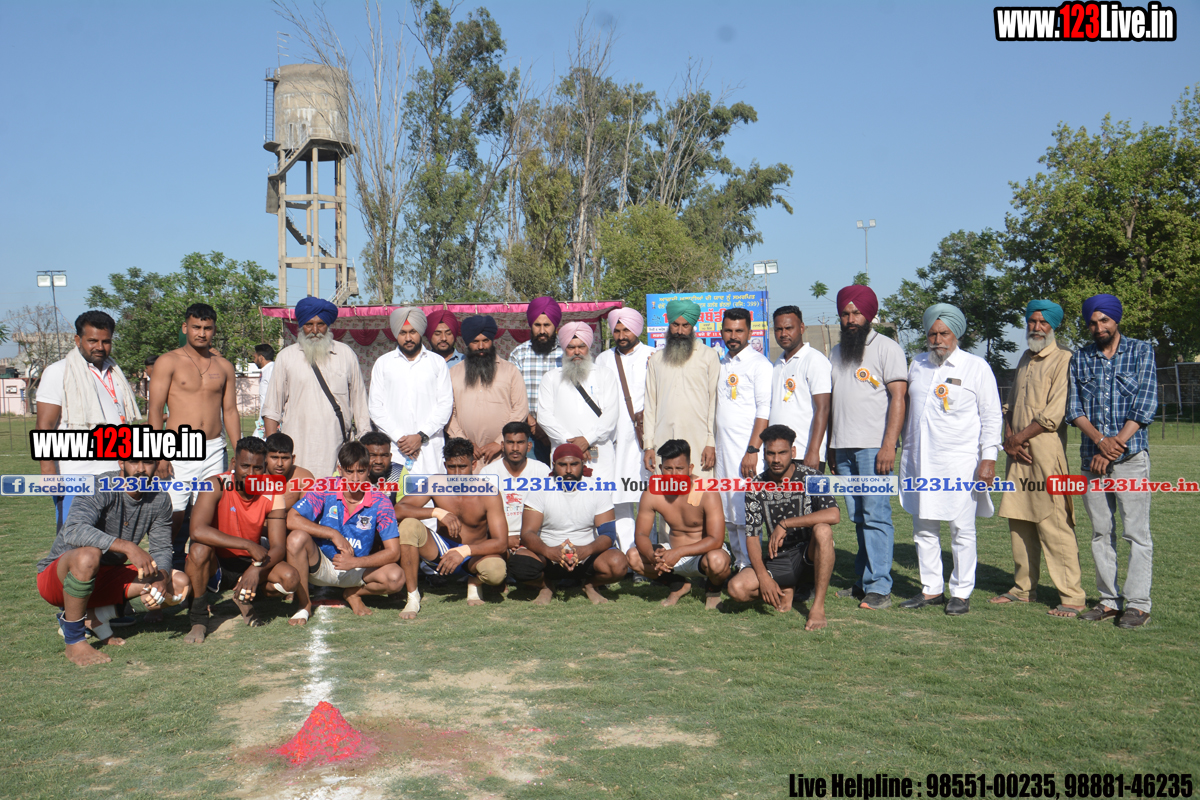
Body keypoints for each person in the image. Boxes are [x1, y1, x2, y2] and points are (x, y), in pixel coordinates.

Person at [898, 304, 1002, 617]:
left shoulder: (976, 366)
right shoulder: (917, 364)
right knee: (923, 526)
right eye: (932, 334)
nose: (938, 340)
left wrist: (989, 458)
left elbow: (991, 416)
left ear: (956, 334)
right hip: (919, 460)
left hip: (960, 462)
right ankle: (931, 589)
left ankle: (961, 592)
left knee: (961, 528)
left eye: (944, 333)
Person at [36, 457, 189, 667]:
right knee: (88, 556)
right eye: (134, 461)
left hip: (105, 578)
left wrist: (162, 577)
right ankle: (74, 639)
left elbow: (162, 547)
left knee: (178, 582)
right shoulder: (98, 485)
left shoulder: (160, 497)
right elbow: (73, 529)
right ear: (121, 463)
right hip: (60, 579)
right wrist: (128, 547)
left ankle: (96, 616)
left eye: (148, 462)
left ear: (156, 464)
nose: (141, 469)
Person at [1066, 293, 1158, 629]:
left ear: (1116, 319)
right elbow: (1073, 409)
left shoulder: (1141, 351)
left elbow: (1145, 404)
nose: (1099, 327)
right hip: (1092, 459)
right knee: (1100, 532)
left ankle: (1137, 605)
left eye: (1104, 320)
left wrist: (1114, 445)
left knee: (1136, 533)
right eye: (1092, 322)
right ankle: (1107, 601)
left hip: (1130, 458)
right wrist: (1099, 443)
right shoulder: (1080, 358)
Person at [992, 300, 1086, 617]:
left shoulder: (1064, 359)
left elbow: (1054, 414)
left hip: (1045, 454)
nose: (1036, 327)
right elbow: (1009, 405)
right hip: (1017, 455)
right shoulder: (1024, 357)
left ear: (1053, 326)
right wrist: (1009, 437)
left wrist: (1018, 438)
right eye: (1032, 321)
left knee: (1054, 523)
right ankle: (1023, 589)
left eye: (1043, 322)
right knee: (1019, 521)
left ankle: (1072, 597)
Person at [825, 286, 908, 611]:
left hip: (874, 449)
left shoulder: (887, 348)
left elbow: (899, 398)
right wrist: (831, 447)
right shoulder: (836, 352)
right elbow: (832, 402)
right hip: (842, 448)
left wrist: (889, 445)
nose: (850, 319)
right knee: (858, 517)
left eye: (856, 313)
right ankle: (862, 581)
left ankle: (880, 588)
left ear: (869, 314)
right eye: (845, 314)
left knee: (876, 515)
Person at [183, 437, 301, 643]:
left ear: (265, 468)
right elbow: (197, 530)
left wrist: (255, 569)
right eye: (245, 466)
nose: (251, 473)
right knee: (199, 550)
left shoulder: (273, 491)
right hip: (216, 563)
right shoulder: (214, 484)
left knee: (290, 578)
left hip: (250, 561)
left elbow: (278, 547)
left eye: (258, 468)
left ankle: (244, 596)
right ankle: (198, 618)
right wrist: (246, 544)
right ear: (233, 464)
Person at [35, 310, 142, 530]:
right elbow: (44, 426)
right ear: (78, 340)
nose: (100, 347)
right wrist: (48, 472)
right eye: (92, 340)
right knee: (75, 542)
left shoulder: (115, 373)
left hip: (114, 476)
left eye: (106, 341)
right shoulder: (58, 372)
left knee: (111, 543)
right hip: (76, 476)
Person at [725, 425, 839, 631]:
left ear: (793, 452)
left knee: (823, 530)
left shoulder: (812, 477)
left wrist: (786, 523)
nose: (776, 459)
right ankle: (785, 588)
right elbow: (752, 536)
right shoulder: (756, 485)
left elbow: (834, 514)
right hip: (779, 558)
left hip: (810, 555)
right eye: (771, 453)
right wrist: (763, 578)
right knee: (736, 588)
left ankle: (818, 607)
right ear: (764, 454)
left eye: (782, 453)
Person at [285, 441, 405, 625]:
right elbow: (292, 519)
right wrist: (332, 533)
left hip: (357, 569)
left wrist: (355, 562)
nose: (355, 478)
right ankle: (304, 606)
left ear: (369, 469)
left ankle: (353, 593)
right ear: (339, 470)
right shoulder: (325, 487)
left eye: (361, 471)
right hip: (321, 565)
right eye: (349, 471)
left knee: (396, 577)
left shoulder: (381, 501)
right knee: (296, 538)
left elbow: (393, 552)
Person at [394, 438, 510, 618]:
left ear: (473, 464)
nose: (457, 473)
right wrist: (437, 512)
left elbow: (501, 543)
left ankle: (475, 580)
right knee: (408, 524)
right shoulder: (436, 483)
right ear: (444, 465)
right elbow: (398, 510)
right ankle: (413, 596)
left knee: (496, 572)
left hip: (473, 554)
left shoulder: (489, 492)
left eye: (462, 467)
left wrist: (463, 551)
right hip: (441, 551)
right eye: (451, 467)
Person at [263, 296, 371, 478]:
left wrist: (364, 442)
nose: (314, 331)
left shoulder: (346, 355)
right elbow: (272, 409)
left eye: (320, 324)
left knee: (334, 493)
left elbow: (360, 404)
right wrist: (272, 452)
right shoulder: (286, 357)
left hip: (337, 447)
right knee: (298, 493)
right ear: (301, 326)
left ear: (328, 325)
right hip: (297, 447)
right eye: (308, 325)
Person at [509, 444, 628, 605]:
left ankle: (590, 585)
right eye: (563, 465)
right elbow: (527, 533)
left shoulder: (597, 488)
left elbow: (608, 534)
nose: (569, 470)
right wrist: (549, 551)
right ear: (554, 465)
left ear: (582, 464)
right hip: (549, 556)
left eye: (574, 464)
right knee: (519, 565)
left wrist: (586, 550)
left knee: (618, 564)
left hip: (586, 557)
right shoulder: (539, 488)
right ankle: (545, 586)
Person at [629, 439, 730, 609]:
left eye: (679, 468)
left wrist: (679, 552)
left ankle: (713, 591)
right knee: (633, 556)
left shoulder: (707, 490)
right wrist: (652, 556)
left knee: (717, 561)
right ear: (660, 469)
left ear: (690, 469)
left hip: (703, 554)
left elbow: (716, 540)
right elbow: (641, 534)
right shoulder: (652, 492)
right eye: (668, 468)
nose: (674, 474)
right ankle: (678, 585)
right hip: (672, 554)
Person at [714, 308, 773, 570]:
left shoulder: (760, 364)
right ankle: (739, 563)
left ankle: (751, 566)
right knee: (728, 511)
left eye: (739, 331)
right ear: (721, 332)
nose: (733, 336)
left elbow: (764, 410)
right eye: (728, 330)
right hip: (722, 452)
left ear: (749, 332)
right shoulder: (720, 364)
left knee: (747, 511)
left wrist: (753, 450)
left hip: (746, 452)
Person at [594, 308, 653, 553]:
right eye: (617, 331)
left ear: (637, 329)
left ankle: (649, 554)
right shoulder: (603, 359)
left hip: (645, 440)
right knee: (618, 498)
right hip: (613, 439)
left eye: (626, 330)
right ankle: (629, 553)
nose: (621, 335)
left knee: (648, 496)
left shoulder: (653, 355)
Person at [642, 298, 721, 481]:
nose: (679, 331)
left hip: (699, 441)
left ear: (692, 326)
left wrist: (710, 442)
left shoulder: (708, 356)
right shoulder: (656, 360)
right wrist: (648, 446)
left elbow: (714, 403)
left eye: (685, 325)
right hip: (663, 441)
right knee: (667, 494)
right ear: (669, 324)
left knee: (699, 493)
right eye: (675, 325)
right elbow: (650, 405)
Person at [369, 306, 453, 477]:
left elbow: (445, 405)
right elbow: (375, 408)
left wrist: (421, 436)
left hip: (429, 448)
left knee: (432, 492)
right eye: (403, 333)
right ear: (396, 334)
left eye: (413, 332)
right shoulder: (383, 363)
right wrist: (401, 439)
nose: (408, 338)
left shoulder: (437, 362)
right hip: (396, 449)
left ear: (420, 332)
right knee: (396, 491)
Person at [536, 322, 619, 489]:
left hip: (599, 455)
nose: (576, 352)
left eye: (581, 346)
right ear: (564, 349)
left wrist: (587, 439)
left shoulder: (605, 374)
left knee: (601, 499)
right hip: (564, 455)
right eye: (571, 347)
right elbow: (544, 416)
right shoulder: (551, 378)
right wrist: (572, 444)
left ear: (588, 347)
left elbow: (611, 414)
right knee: (566, 500)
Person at [446, 315, 530, 466]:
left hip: (502, 454)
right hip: (467, 457)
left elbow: (520, 409)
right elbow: (449, 413)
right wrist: (464, 442)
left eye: (485, 341)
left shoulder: (510, 371)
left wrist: (500, 442)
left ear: (492, 341)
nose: (481, 346)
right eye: (475, 342)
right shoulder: (453, 373)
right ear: (467, 343)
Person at [768, 306, 830, 471]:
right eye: (778, 329)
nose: (783, 334)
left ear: (801, 328)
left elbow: (823, 408)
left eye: (789, 328)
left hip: (805, 453)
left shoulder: (814, 360)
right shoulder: (777, 363)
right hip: (779, 455)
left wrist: (814, 451)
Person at [509, 295, 564, 464]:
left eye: (547, 325)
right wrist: (533, 425)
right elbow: (512, 395)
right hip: (530, 435)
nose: (542, 331)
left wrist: (551, 428)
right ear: (530, 325)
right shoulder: (519, 354)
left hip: (563, 432)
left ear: (555, 326)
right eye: (537, 325)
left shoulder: (567, 354)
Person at [480, 421, 551, 549]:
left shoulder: (542, 471)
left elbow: (550, 509)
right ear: (502, 445)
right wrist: (504, 540)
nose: (515, 448)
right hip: (498, 539)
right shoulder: (488, 472)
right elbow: (482, 514)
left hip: (535, 538)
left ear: (529, 446)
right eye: (510, 442)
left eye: (520, 443)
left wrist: (529, 540)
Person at [360, 430, 406, 504]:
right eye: (372, 455)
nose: (379, 461)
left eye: (384, 455)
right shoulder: (347, 473)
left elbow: (406, 505)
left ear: (390, 457)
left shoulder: (398, 472)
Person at [252, 343, 276, 439]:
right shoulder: (267, 370)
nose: (254, 361)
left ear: (261, 358)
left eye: (255, 357)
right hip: (264, 418)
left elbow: (275, 396)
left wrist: (268, 424)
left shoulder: (271, 370)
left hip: (269, 419)